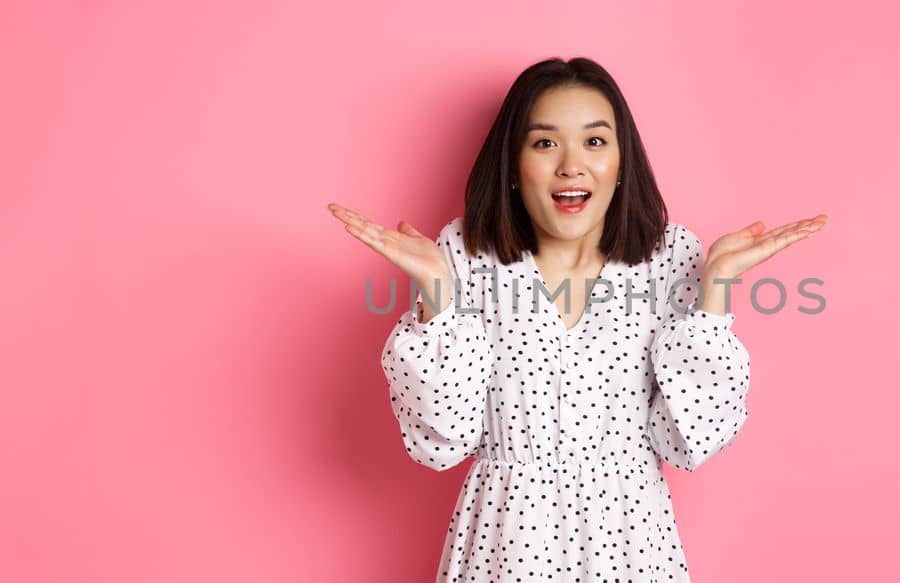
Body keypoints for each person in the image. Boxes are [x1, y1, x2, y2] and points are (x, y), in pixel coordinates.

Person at [328, 56, 825, 582]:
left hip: (632, 544)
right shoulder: (465, 256)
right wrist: (436, 294)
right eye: (545, 143)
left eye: (594, 141)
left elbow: (688, 440)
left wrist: (716, 290)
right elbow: (443, 439)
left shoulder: (672, 258)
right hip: (505, 543)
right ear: (514, 167)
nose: (571, 165)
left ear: (621, 162)